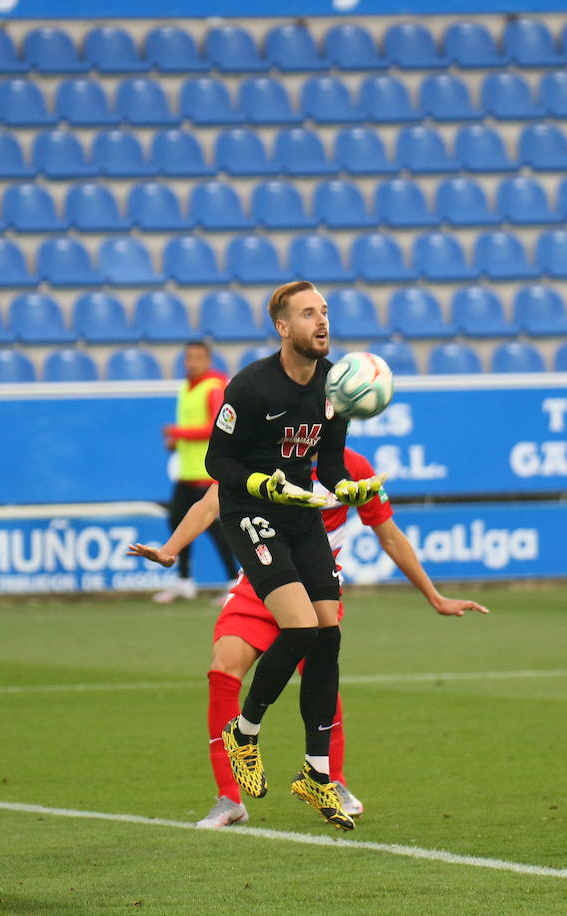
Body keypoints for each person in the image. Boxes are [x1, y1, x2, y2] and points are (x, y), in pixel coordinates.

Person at [128, 447, 488, 829]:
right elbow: (209, 504)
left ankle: (331, 780)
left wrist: (434, 596)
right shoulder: (262, 453)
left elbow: (389, 535)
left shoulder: (354, 466)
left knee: (320, 677)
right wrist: (169, 551)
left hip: (318, 589)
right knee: (223, 668)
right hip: (262, 581)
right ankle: (229, 798)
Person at [203, 279, 385, 830]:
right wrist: (262, 484)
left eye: (325, 311)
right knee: (302, 629)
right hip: (252, 513)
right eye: (308, 314)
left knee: (327, 633)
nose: (322, 322)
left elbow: (328, 462)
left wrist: (346, 488)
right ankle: (246, 730)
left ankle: (316, 774)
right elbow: (217, 461)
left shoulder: (334, 386)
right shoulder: (253, 386)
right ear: (283, 327)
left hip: (301, 513)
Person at [154, 340, 237, 604]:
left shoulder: (213, 388)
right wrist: (177, 442)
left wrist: (178, 432)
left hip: (208, 471)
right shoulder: (186, 388)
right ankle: (184, 581)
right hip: (187, 471)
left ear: (208, 359)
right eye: (188, 357)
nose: (192, 362)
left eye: (197, 357)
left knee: (215, 527)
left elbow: (216, 427)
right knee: (177, 521)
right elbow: (193, 426)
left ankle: (233, 582)